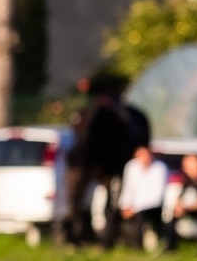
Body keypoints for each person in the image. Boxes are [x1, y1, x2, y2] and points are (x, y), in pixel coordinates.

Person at [63, 73, 149, 247]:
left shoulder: (116, 112)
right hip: (92, 160)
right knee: (80, 200)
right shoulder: (95, 112)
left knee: (111, 200)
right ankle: (82, 235)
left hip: (109, 163)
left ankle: (108, 237)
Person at [113, 146, 169, 252]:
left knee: (140, 216)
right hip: (134, 205)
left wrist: (135, 208)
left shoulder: (160, 168)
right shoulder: (131, 166)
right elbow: (128, 188)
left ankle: (137, 246)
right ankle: (111, 243)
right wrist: (125, 205)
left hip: (153, 206)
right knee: (113, 213)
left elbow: (157, 196)